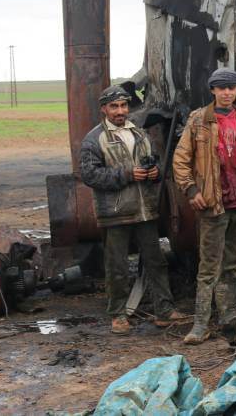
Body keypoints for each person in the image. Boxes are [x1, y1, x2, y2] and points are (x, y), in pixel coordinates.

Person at [79, 85, 187, 335]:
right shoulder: (95, 138)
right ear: (104, 109)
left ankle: (164, 311)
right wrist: (127, 174)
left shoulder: (139, 134)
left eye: (124, 106)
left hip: (144, 210)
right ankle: (118, 315)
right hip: (116, 213)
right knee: (116, 266)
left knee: (156, 262)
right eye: (114, 106)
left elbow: (157, 164)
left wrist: (154, 173)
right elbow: (90, 174)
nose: (120, 111)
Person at [172, 68, 236, 344]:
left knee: (233, 265)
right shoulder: (199, 120)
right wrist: (190, 190)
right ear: (212, 90)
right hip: (213, 202)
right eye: (222, 88)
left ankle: (227, 320)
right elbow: (181, 159)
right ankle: (200, 326)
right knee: (209, 266)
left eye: (232, 88)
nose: (227, 93)